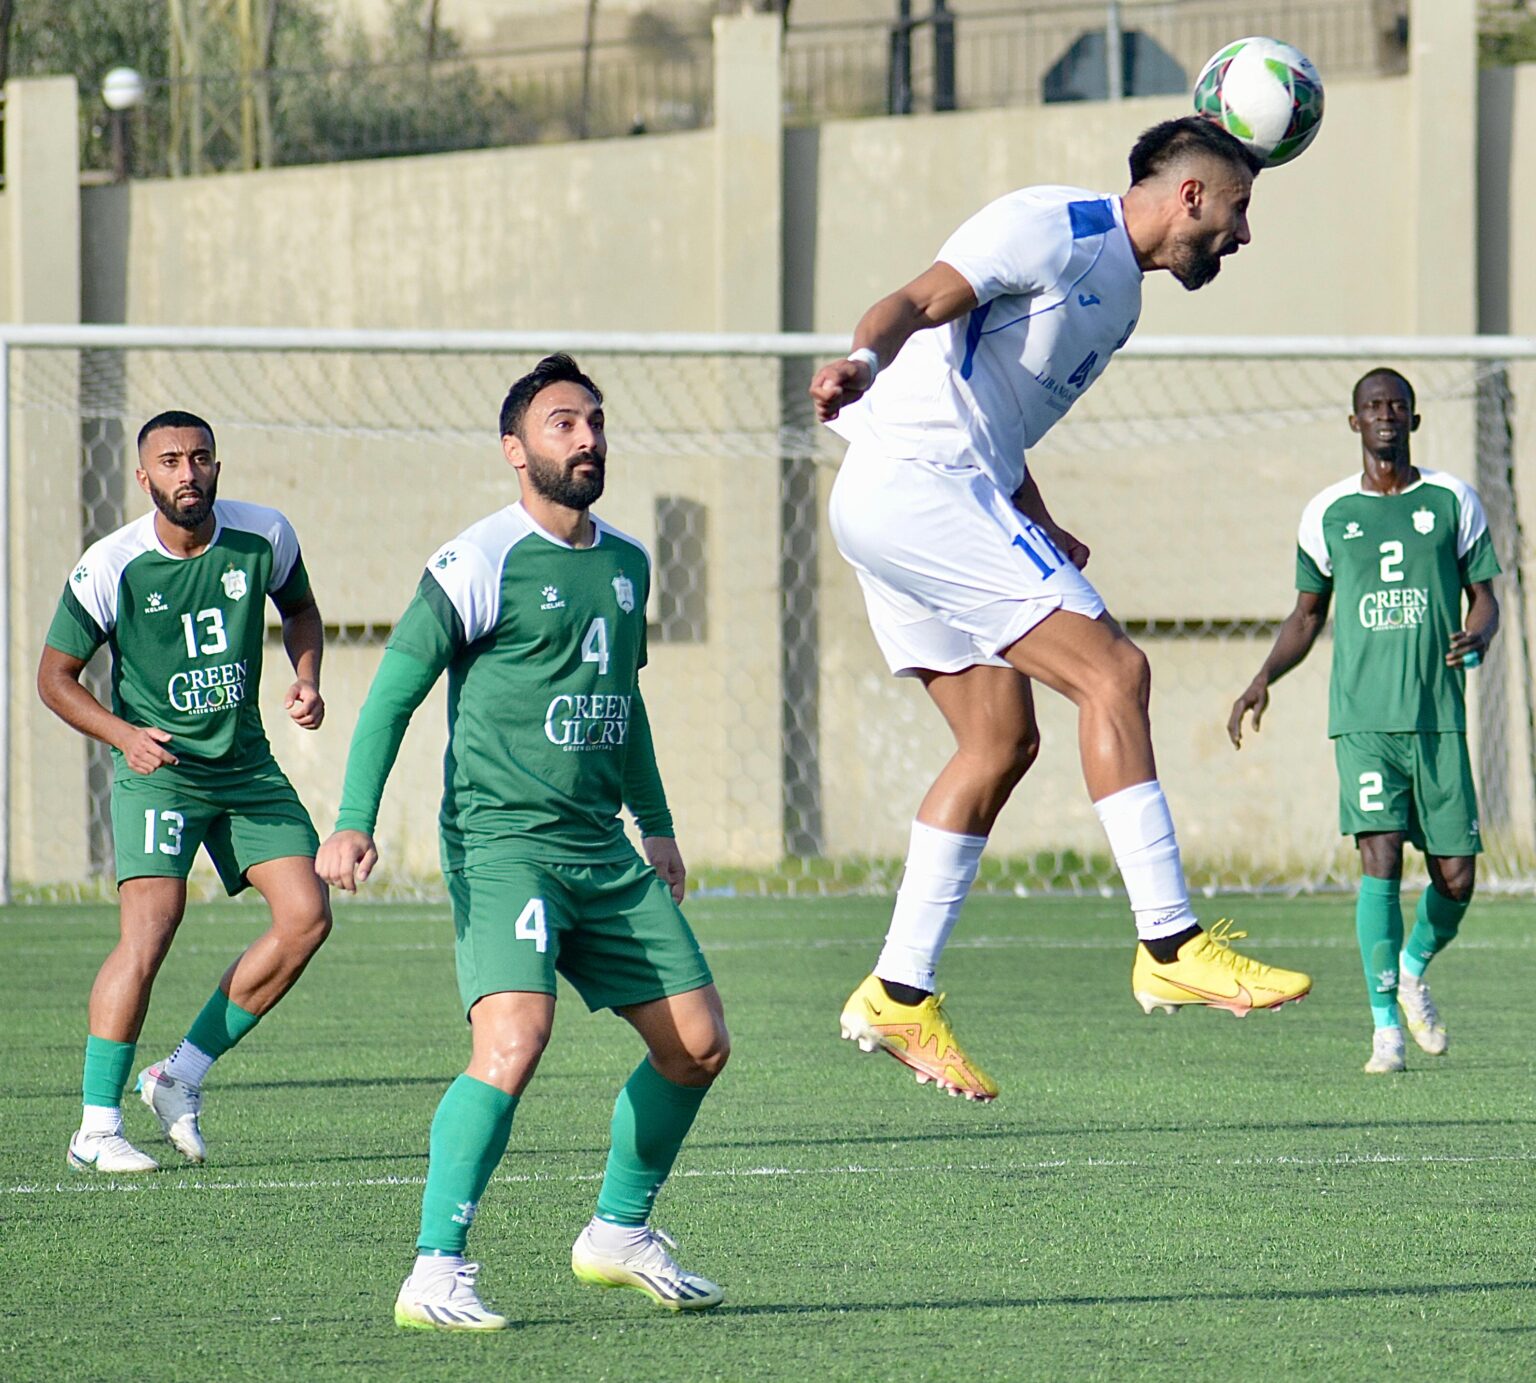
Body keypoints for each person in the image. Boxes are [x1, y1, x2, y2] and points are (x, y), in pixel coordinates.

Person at [809, 116, 1312, 1103]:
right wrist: (862, 365)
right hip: (917, 484)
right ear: (1191, 196)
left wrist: (1039, 520)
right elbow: (914, 301)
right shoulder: (1053, 226)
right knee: (1116, 674)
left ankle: (898, 992)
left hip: (931, 498)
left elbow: (996, 418)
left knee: (999, 742)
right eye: (1240, 208)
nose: (1245, 235)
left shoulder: (1122, 299)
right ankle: (1169, 942)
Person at [316, 354, 729, 1332]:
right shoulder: (479, 560)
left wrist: (656, 824)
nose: (587, 439)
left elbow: (622, 701)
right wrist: (354, 818)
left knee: (698, 1046)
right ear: (514, 449)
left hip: (602, 848)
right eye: (562, 424)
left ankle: (618, 1233)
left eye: (595, 422)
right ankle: (434, 1271)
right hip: (503, 842)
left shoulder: (628, 562)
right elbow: (393, 691)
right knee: (514, 1039)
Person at [38, 410, 332, 1173]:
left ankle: (178, 1075)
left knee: (306, 916)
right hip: (160, 771)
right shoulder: (111, 565)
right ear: (144, 477)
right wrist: (122, 734)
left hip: (246, 767)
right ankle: (95, 1128)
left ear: (217, 467)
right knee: (151, 928)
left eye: (199, 457)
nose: (187, 472)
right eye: (169, 460)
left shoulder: (264, 535)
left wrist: (306, 677)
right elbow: (54, 678)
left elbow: (300, 609)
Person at [1229, 368, 1500, 1073]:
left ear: (1414, 419)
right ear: (1354, 422)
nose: (1386, 415)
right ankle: (1385, 1030)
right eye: (1373, 406)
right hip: (1363, 721)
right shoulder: (1327, 512)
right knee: (1380, 858)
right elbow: (1305, 615)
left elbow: (1485, 597)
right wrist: (1262, 678)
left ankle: (1411, 971)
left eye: (1397, 406)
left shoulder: (1451, 500)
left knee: (1457, 877)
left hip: (1437, 718)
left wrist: (1478, 633)